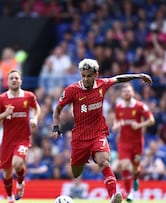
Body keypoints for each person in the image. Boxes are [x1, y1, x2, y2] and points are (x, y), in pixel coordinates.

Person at [51, 58, 152, 203]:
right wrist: (56, 126)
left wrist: (138, 76)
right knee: (75, 172)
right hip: (79, 137)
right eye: (83, 75)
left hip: (98, 133)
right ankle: (87, 162)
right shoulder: (71, 90)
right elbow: (58, 108)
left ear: (96, 74)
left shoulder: (102, 85)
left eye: (89, 76)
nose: (86, 79)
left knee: (104, 162)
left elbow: (118, 78)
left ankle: (113, 195)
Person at [0, 69, 40, 203]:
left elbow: (37, 108)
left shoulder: (28, 96)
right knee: (6, 173)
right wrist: (5, 114)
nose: (14, 80)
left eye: (16, 78)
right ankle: (9, 197)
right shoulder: (2, 99)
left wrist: (35, 118)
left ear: (21, 81)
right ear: (7, 82)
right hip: (7, 141)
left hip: (23, 139)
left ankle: (20, 183)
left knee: (17, 163)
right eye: (11, 78)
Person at [112, 83, 155, 202]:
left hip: (137, 142)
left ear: (133, 93)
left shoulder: (140, 106)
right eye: (124, 91)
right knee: (124, 165)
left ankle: (135, 179)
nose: (126, 93)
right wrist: (116, 125)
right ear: (122, 94)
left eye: (128, 91)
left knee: (135, 169)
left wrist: (140, 125)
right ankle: (129, 193)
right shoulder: (119, 107)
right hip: (124, 142)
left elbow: (151, 120)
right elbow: (116, 120)